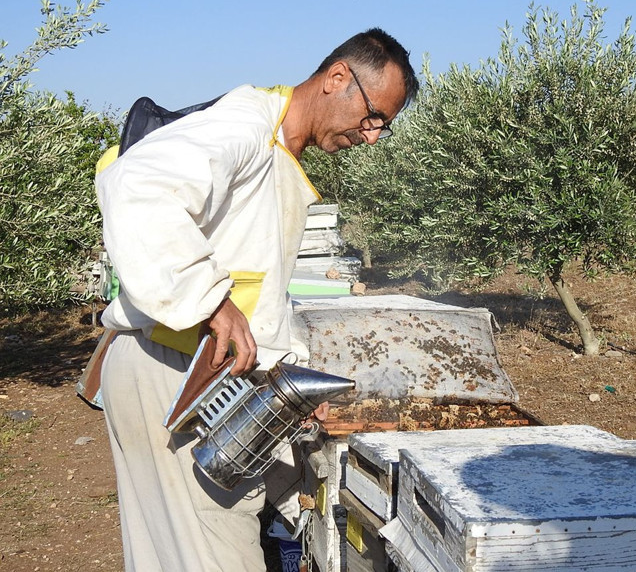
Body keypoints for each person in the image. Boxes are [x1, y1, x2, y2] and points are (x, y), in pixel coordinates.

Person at [94, 28, 419, 572]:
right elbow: (135, 184)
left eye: (382, 126)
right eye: (372, 117)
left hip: (192, 373)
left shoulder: (278, 151)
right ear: (338, 77)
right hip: (177, 375)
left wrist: (283, 370)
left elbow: (256, 288)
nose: (371, 137)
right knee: (218, 552)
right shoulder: (245, 125)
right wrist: (209, 300)